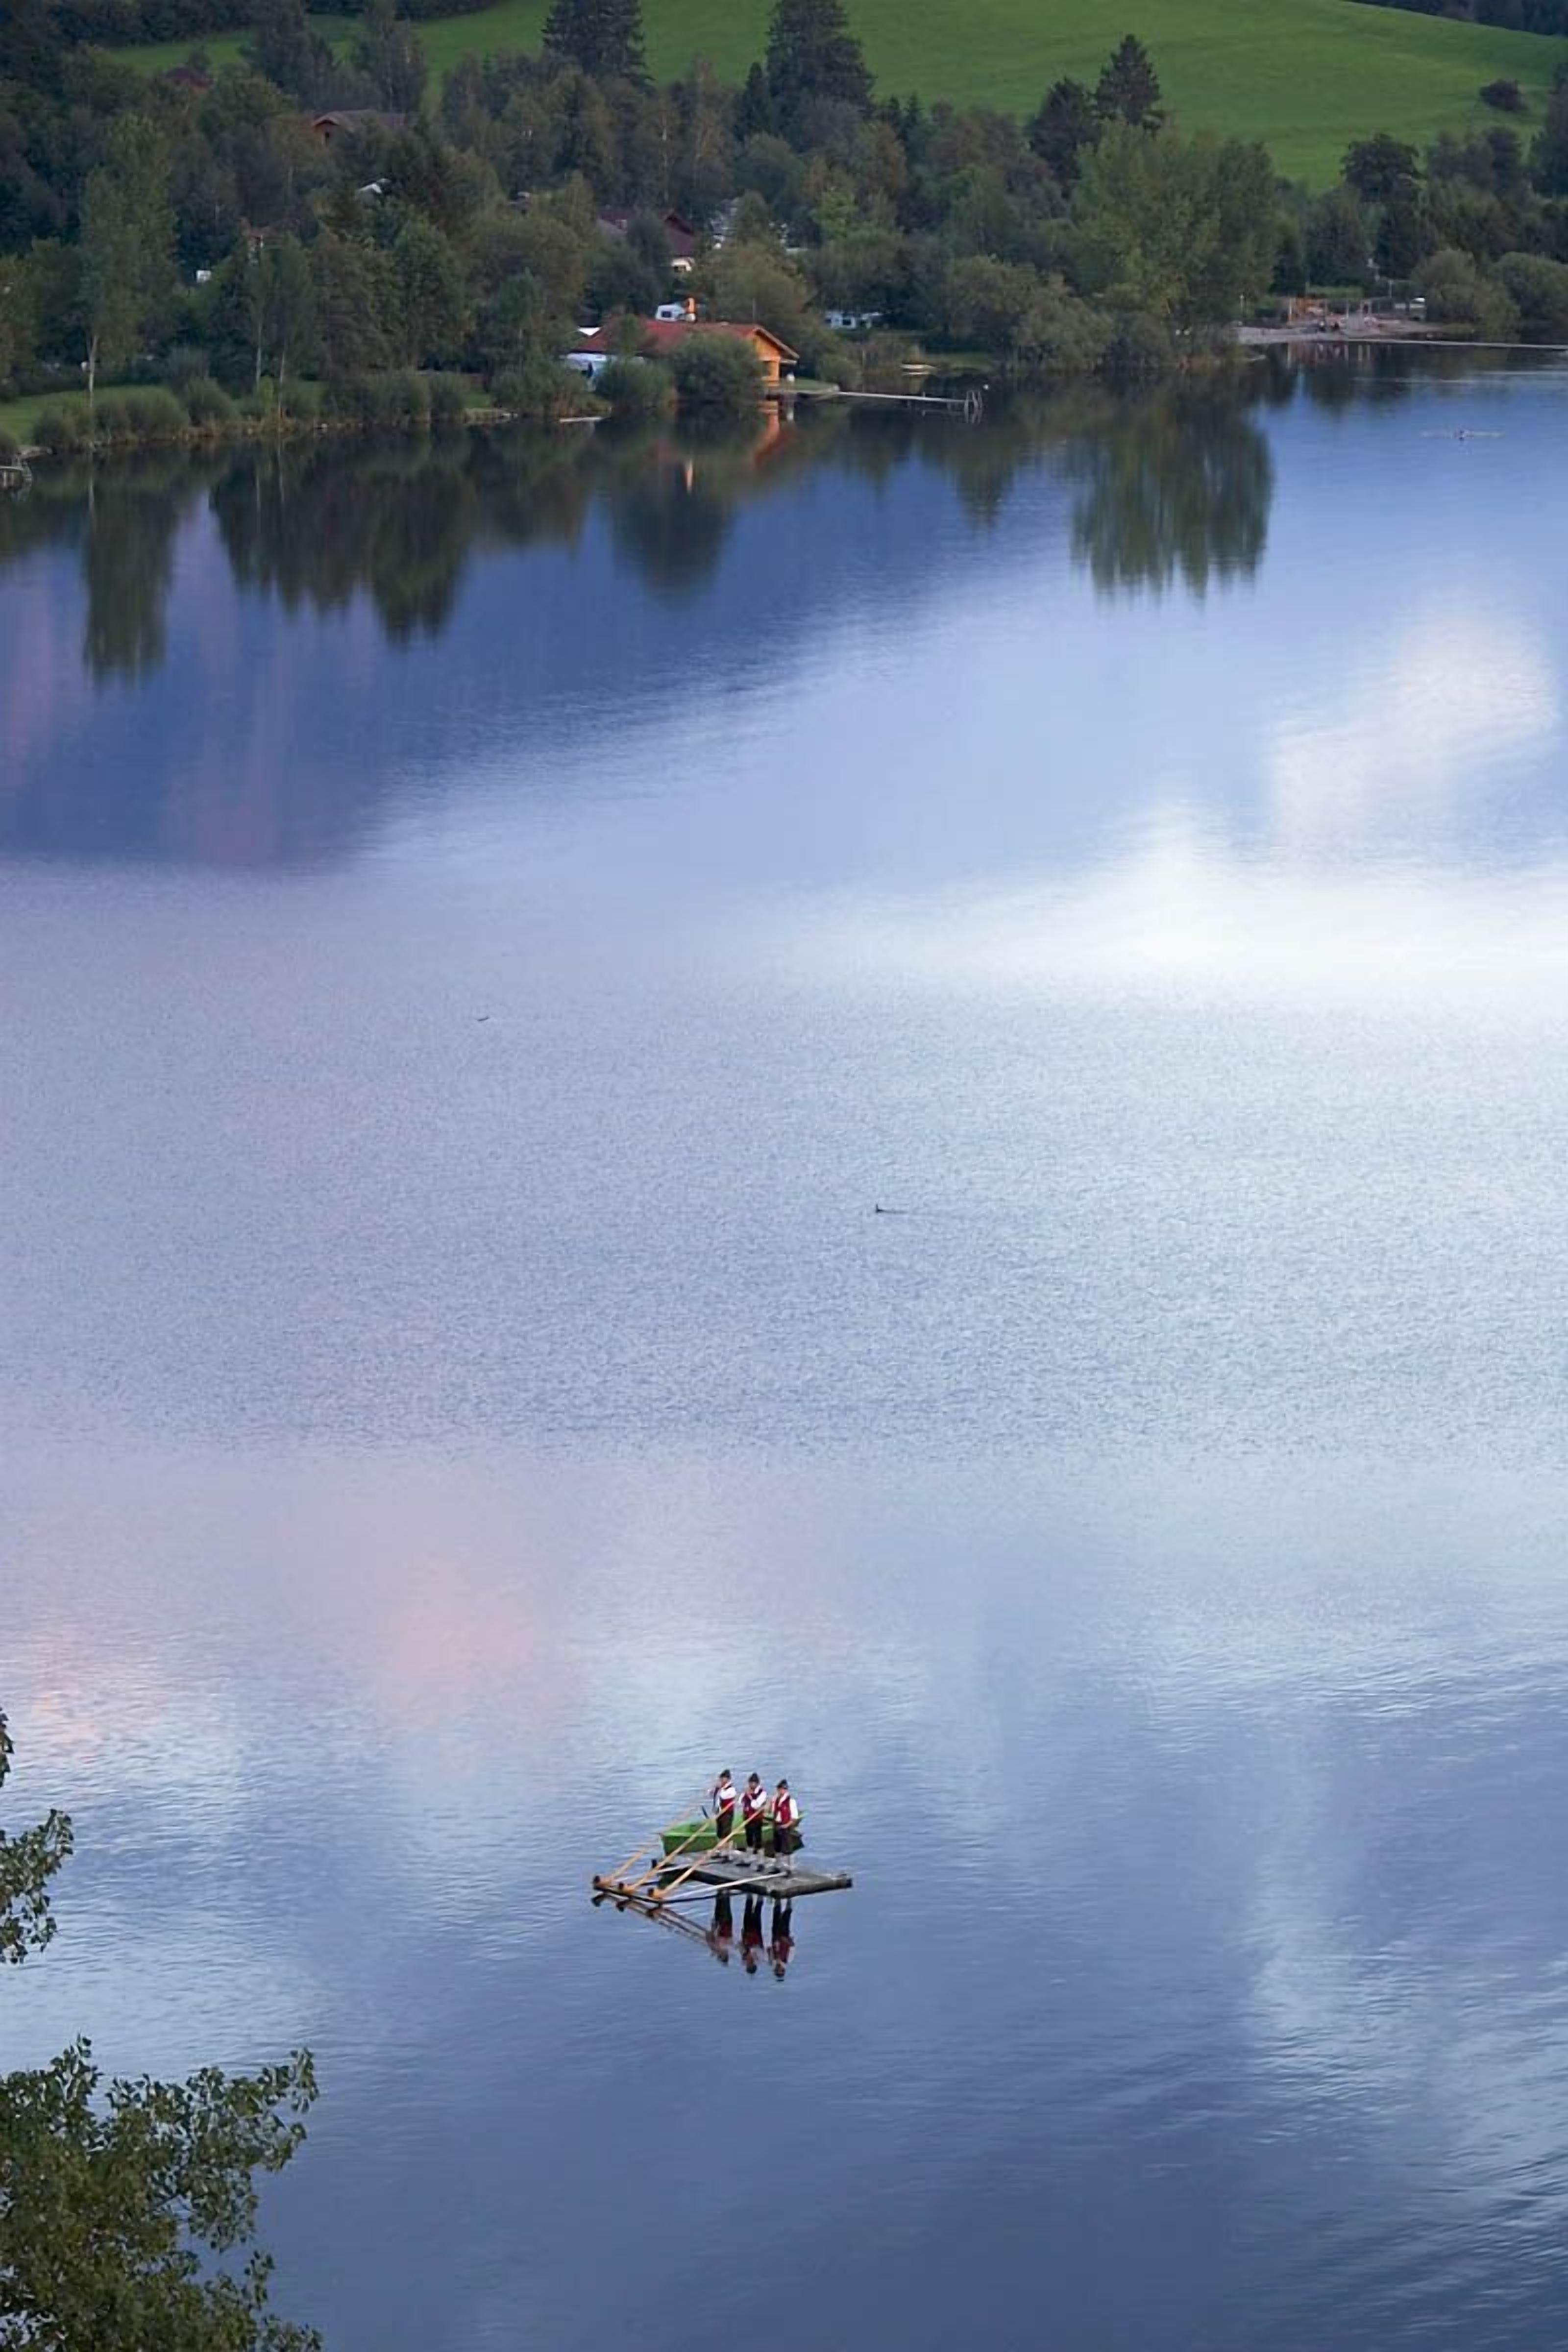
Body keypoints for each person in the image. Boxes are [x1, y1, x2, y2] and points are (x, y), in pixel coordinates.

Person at [771, 1779, 799, 1868]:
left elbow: (795, 1817)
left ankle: (790, 1868)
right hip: (777, 1824)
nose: (782, 1791)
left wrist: (787, 1825)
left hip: (786, 1826)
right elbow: (771, 1811)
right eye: (780, 1789)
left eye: (784, 1789)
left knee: (788, 1848)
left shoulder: (791, 1801)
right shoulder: (775, 1800)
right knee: (777, 1847)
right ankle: (777, 1866)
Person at [741, 1772, 768, 1857]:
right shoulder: (747, 1791)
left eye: (754, 1783)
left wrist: (749, 1796)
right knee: (749, 1838)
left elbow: (756, 1805)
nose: (752, 1785)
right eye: (750, 1783)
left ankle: (760, 1861)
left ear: (757, 1784)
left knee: (758, 1839)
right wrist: (745, 1795)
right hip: (747, 1817)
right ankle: (748, 1858)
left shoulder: (762, 1793)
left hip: (757, 1819)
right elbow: (740, 1802)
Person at [710, 1769, 738, 1847]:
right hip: (719, 1812)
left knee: (726, 1833)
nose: (722, 1780)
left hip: (727, 1814)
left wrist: (720, 1788)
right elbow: (713, 1796)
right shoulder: (720, 1789)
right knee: (719, 1833)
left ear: (728, 1779)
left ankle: (728, 1851)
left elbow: (724, 1796)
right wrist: (714, 1790)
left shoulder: (731, 1790)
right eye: (721, 1778)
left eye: (724, 1779)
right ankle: (720, 1850)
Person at [768, 1900, 794, 1979]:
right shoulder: (788, 1960)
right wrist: (785, 1939)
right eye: (781, 1970)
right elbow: (792, 1946)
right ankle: (790, 1898)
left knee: (776, 1915)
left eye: (777, 1970)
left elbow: (769, 1948)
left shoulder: (772, 1961)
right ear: (783, 1970)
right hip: (784, 1935)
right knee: (787, 1916)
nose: (779, 1969)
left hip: (775, 1936)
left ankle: (778, 1898)